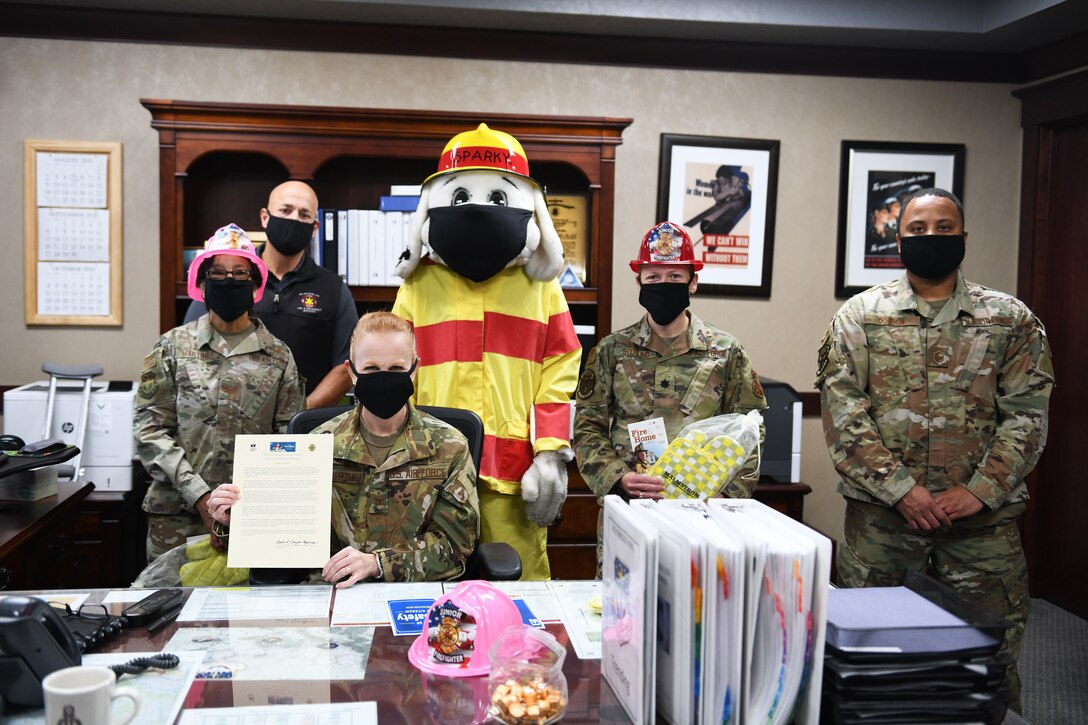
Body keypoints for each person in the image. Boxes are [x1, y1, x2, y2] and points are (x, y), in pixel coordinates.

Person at [816, 188, 1054, 708]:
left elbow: (1027, 416)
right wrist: (903, 492)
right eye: (918, 229)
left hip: (982, 532)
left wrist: (980, 491)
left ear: (964, 238)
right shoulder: (860, 316)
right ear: (898, 239)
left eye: (944, 229)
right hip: (884, 529)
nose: (931, 238)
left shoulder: (1010, 319)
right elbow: (844, 417)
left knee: (988, 663)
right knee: (870, 665)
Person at [207, 311, 481, 585]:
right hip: (329, 594)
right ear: (351, 372)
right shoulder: (315, 446)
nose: (383, 378)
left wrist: (376, 564)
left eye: (397, 369)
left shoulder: (450, 447)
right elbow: (286, 541)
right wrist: (238, 520)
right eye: (371, 368)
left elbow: (456, 547)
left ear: (414, 368)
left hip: (412, 598)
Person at [574, 221, 767, 572]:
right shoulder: (612, 350)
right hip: (631, 510)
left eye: (675, 278)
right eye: (654, 278)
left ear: (693, 281)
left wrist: (726, 498)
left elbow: (751, 431)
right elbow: (587, 426)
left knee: (697, 611)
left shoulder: (725, 351)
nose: (664, 285)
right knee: (623, 612)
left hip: (703, 517)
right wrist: (617, 476)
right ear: (640, 282)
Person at [135, 224, 306, 562]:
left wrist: (247, 503)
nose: (229, 281)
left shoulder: (279, 356)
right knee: (170, 608)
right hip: (177, 518)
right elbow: (149, 429)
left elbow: (289, 439)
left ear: (255, 284)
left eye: (240, 273)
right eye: (218, 273)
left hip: (252, 518)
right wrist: (199, 496)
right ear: (202, 283)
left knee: (248, 610)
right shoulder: (171, 347)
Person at [185, 181, 357, 409]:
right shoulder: (226, 281)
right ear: (265, 217)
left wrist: (299, 413)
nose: (294, 219)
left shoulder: (334, 289)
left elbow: (346, 365)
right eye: (285, 210)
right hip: (228, 422)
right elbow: (190, 351)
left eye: (304, 215)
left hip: (304, 430)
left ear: (315, 228)